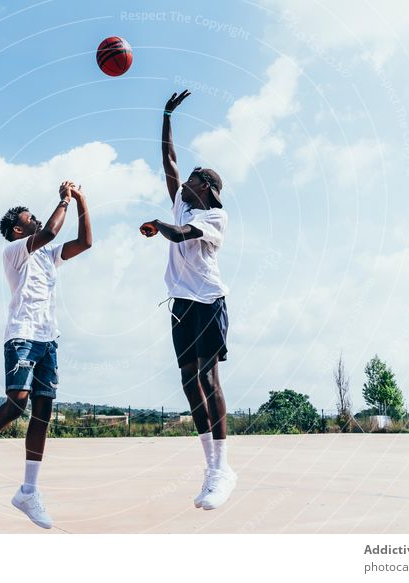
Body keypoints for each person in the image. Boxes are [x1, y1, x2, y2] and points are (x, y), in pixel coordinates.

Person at [0, 181, 92, 529]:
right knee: (18, 401)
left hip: (47, 338)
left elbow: (85, 242)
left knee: (43, 413)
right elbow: (52, 231)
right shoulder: (15, 252)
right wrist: (65, 199)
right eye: (30, 217)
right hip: (21, 335)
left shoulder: (48, 255)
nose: (37, 219)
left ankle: (28, 490)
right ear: (18, 230)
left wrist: (82, 201)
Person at [139, 90, 235, 510]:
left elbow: (180, 235)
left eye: (196, 176)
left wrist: (158, 224)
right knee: (187, 381)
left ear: (208, 188)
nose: (187, 179)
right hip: (181, 303)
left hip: (209, 302)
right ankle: (210, 467)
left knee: (209, 379)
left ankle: (222, 469)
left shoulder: (214, 217)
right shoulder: (183, 202)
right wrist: (165, 116)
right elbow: (170, 162)